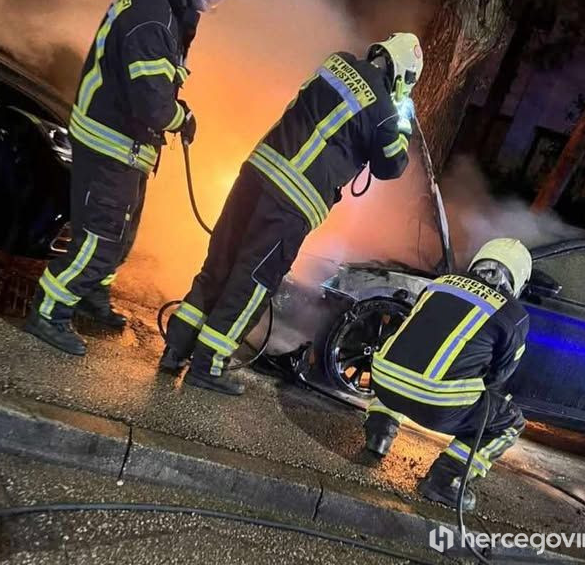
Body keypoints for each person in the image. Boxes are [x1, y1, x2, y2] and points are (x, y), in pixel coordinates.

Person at [26, 0, 248, 356]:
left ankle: (91, 296)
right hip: (112, 143)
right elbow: (152, 104)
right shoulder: (153, 19)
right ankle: (49, 310)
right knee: (101, 237)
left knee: (120, 236)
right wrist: (180, 117)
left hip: (123, 143)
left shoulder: (163, 4)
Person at [162, 33, 424, 395]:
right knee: (252, 281)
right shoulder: (383, 109)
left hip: (255, 174)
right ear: (403, 77)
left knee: (219, 264)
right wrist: (402, 118)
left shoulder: (337, 62)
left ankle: (175, 348)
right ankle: (208, 364)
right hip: (291, 199)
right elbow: (391, 165)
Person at [363, 238, 532, 511]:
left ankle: (379, 434)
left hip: (383, 381)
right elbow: (499, 375)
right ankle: (445, 480)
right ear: (519, 278)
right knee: (510, 422)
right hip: (438, 405)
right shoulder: (514, 314)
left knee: (409, 362)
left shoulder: (441, 282)